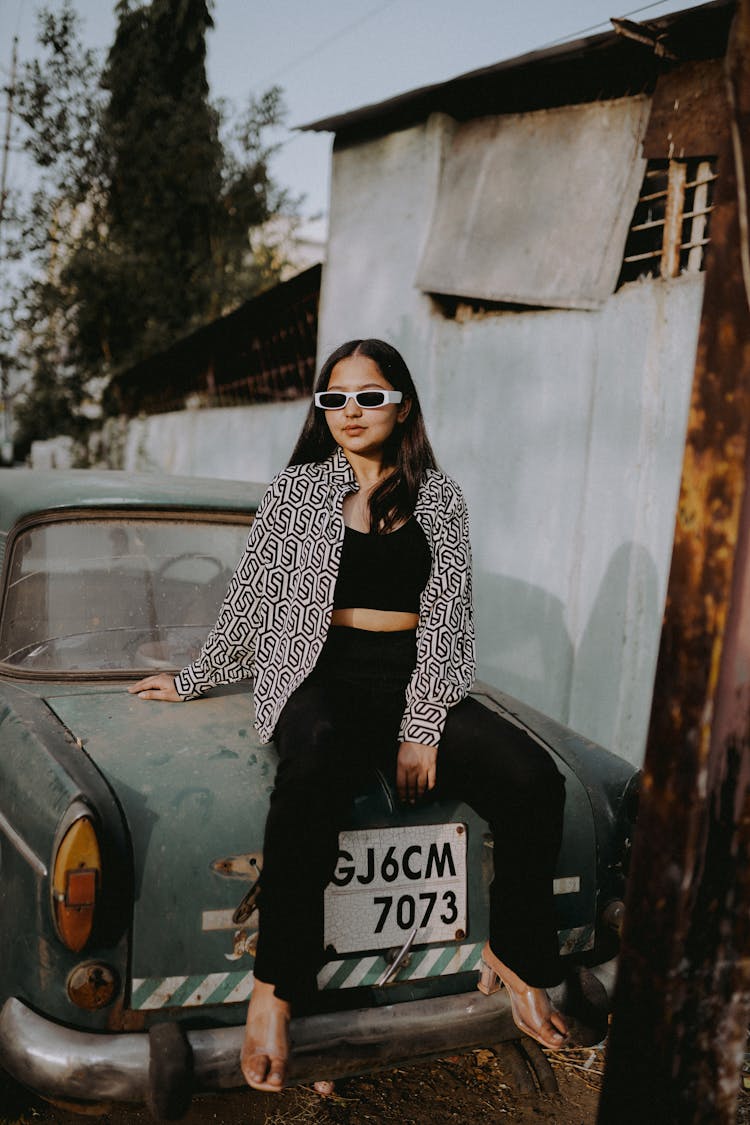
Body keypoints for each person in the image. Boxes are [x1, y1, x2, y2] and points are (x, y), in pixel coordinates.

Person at [129, 338, 569, 1093]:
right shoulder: (295, 490)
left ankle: (518, 953)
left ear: (402, 403)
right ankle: (277, 986)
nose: (351, 411)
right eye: (335, 398)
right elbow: (251, 601)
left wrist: (423, 723)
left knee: (534, 778)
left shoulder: (439, 496)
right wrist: (195, 677)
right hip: (318, 674)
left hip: (411, 677)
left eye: (369, 395)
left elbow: (450, 617)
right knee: (315, 767)